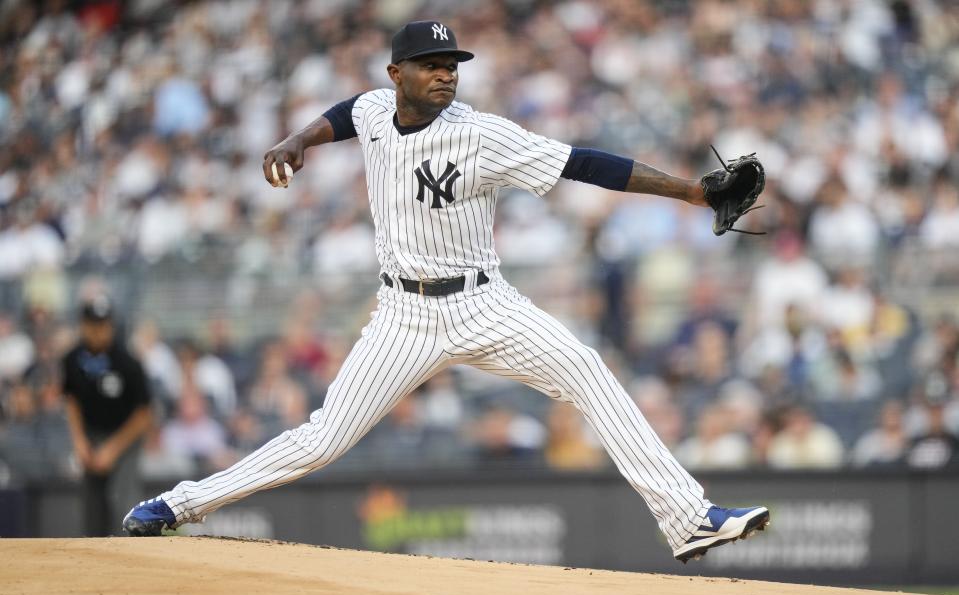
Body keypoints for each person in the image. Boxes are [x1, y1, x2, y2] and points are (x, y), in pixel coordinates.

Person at [124, 21, 768, 563]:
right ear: (395, 73)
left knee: (587, 369)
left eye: (452, 65)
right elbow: (346, 114)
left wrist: (689, 191)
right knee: (322, 440)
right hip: (402, 316)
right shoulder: (376, 109)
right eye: (431, 65)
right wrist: (299, 139)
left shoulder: (482, 133)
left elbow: (585, 162)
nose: (446, 75)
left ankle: (688, 517)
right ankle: (180, 504)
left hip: (484, 304)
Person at [62, 295, 152, 536]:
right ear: (83, 325)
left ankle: (127, 562)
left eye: (104, 324)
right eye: (93, 324)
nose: (99, 330)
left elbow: (144, 413)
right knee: (92, 508)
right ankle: (94, 566)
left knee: (123, 504)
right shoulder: (72, 359)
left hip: (124, 441)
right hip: (91, 437)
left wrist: (112, 449)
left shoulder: (128, 362)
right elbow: (71, 400)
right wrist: (79, 442)